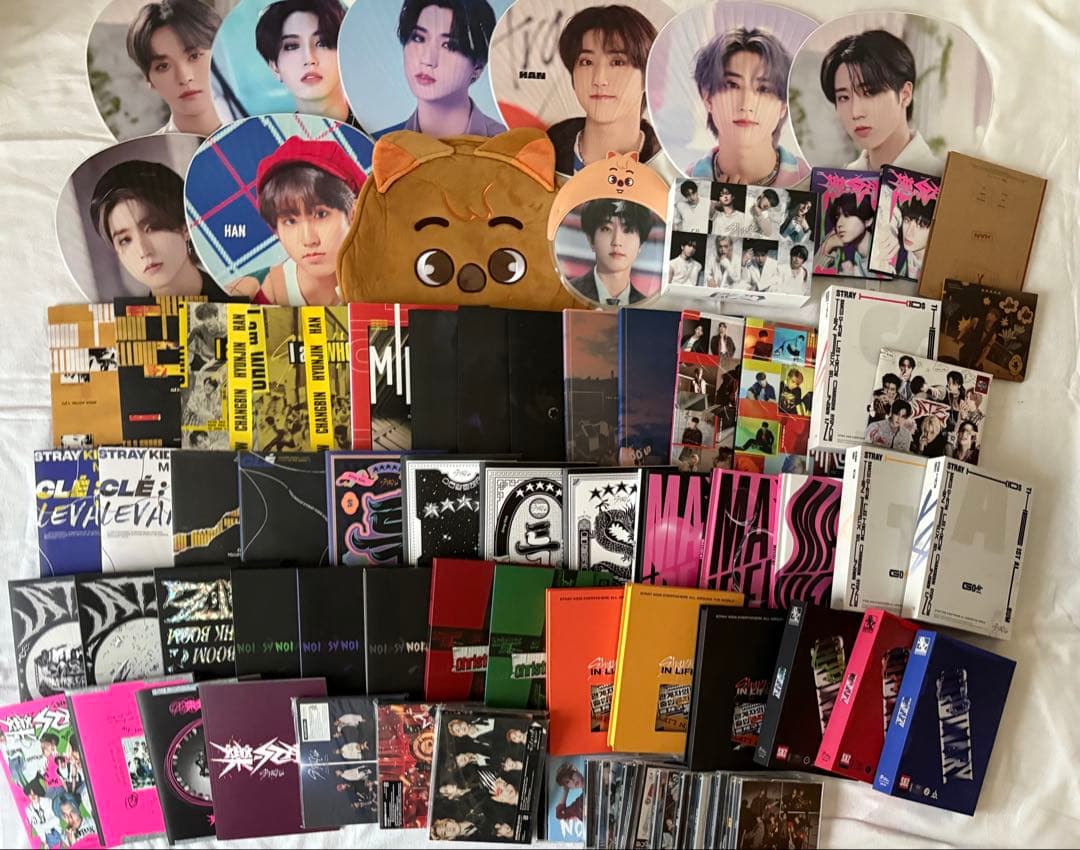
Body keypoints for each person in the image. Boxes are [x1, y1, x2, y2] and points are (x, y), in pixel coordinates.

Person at [231, 136, 365, 305]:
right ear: (276, 230)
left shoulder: (384, 287)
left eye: (321, 214)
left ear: (353, 214)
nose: (309, 240)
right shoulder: (246, 294)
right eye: (290, 221)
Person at [547, 5, 665, 177]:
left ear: (648, 75)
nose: (599, 80)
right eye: (586, 62)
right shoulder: (540, 156)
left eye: (617, 62)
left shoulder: (671, 169)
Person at [688, 27, 810, 187]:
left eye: (763, 89)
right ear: (708, 98)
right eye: (732, 85)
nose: (746, 105)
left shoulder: (812, 181)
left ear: (783, 105)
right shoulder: (682, 182)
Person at [89, 160, 225, 298]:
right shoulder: (127, 312)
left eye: (152, 228)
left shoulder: (235, 297)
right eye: (125, 240)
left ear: (185, 226)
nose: (143, 251)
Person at [819, 29, 942, 174]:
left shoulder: (942, 178)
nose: (855, 113)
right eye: (843, 97)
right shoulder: (841, 180)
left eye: (870, 92)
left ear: (905, 94)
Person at [379, 0, 505, 137]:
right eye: (419, 38)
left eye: (449, 45)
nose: (428, 60)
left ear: (478, 66)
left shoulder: (509, 143)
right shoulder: (380, 144)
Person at [126, 0, 223, 136]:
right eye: (163, 66)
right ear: (149, 80)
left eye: (194, 56)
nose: (184, 78)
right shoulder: (148, 149)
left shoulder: (255, 131)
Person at [254, 0, 353, 124]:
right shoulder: (269, 135)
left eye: (322, 43)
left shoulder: (376, 124)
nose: (309, 59)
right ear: (275, 67)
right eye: (292, 46)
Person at [568, 199, 654, 306]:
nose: (616, 242)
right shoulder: (566, 293)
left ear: (640, 244)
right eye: (606, 229)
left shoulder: (649, 305)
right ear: (591, 240)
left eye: (628, 230)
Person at [814, 192, 874, 275]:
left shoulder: (882, 253)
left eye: (847, 215)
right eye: (837, 217)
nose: (839, 224)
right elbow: (809, 277)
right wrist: (828, 245)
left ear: (868, 221)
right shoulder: (858, 260)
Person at [956, 306, 1003, 371]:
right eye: (989, 313)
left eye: (992, 314)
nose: (989, 314)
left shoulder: (993, 335)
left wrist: (977, 364)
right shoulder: (976, 321)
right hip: (966, 351)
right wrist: (958, 339)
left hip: (976, 357)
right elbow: (966, 329)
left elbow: (986, 351)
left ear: (995, 319)